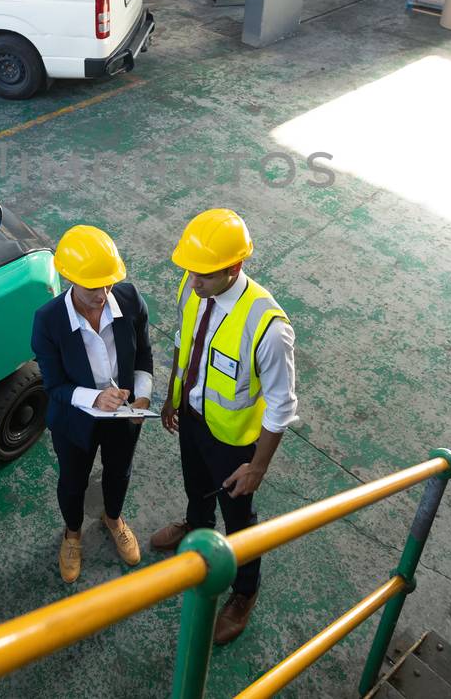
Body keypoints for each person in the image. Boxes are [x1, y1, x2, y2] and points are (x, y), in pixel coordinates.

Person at [151, 208, 298, 645]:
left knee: (240, 518)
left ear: (235, 268)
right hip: (193, 420)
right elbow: (184, 340)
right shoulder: (192, 285)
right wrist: (173, 397)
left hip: (235, 444)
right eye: (190, 272)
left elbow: (281, 406)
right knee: (196, 486)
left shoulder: (268, 328)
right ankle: (197, 530)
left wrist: (257, 467)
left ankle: (244, 591)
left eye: (205, 276)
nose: (193, 283)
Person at [30, 225, 152, 583]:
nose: (102, 294)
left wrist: (141, 393)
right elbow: (54, 386)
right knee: (72, 481)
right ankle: (72, 535)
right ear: (68, 278)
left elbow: (143, 353)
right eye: (92, 286)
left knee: (120, 471)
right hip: (74, 422)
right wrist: (95, 398)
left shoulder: (129, 301)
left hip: (123, 416)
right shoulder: (48, 321)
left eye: (108, 284)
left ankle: (113, 518)